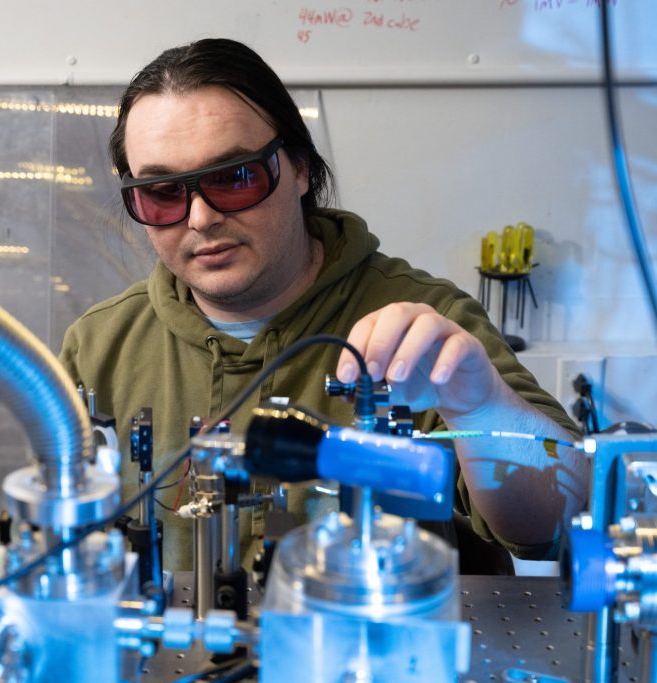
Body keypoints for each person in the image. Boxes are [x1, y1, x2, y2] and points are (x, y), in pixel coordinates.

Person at [59, 38, 588, 571]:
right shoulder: (102, 345)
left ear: (301, 168)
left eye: (235, 177)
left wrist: (480, 405)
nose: (200, 219)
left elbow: (556, 522)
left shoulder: (424, 326)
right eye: (162, 192)